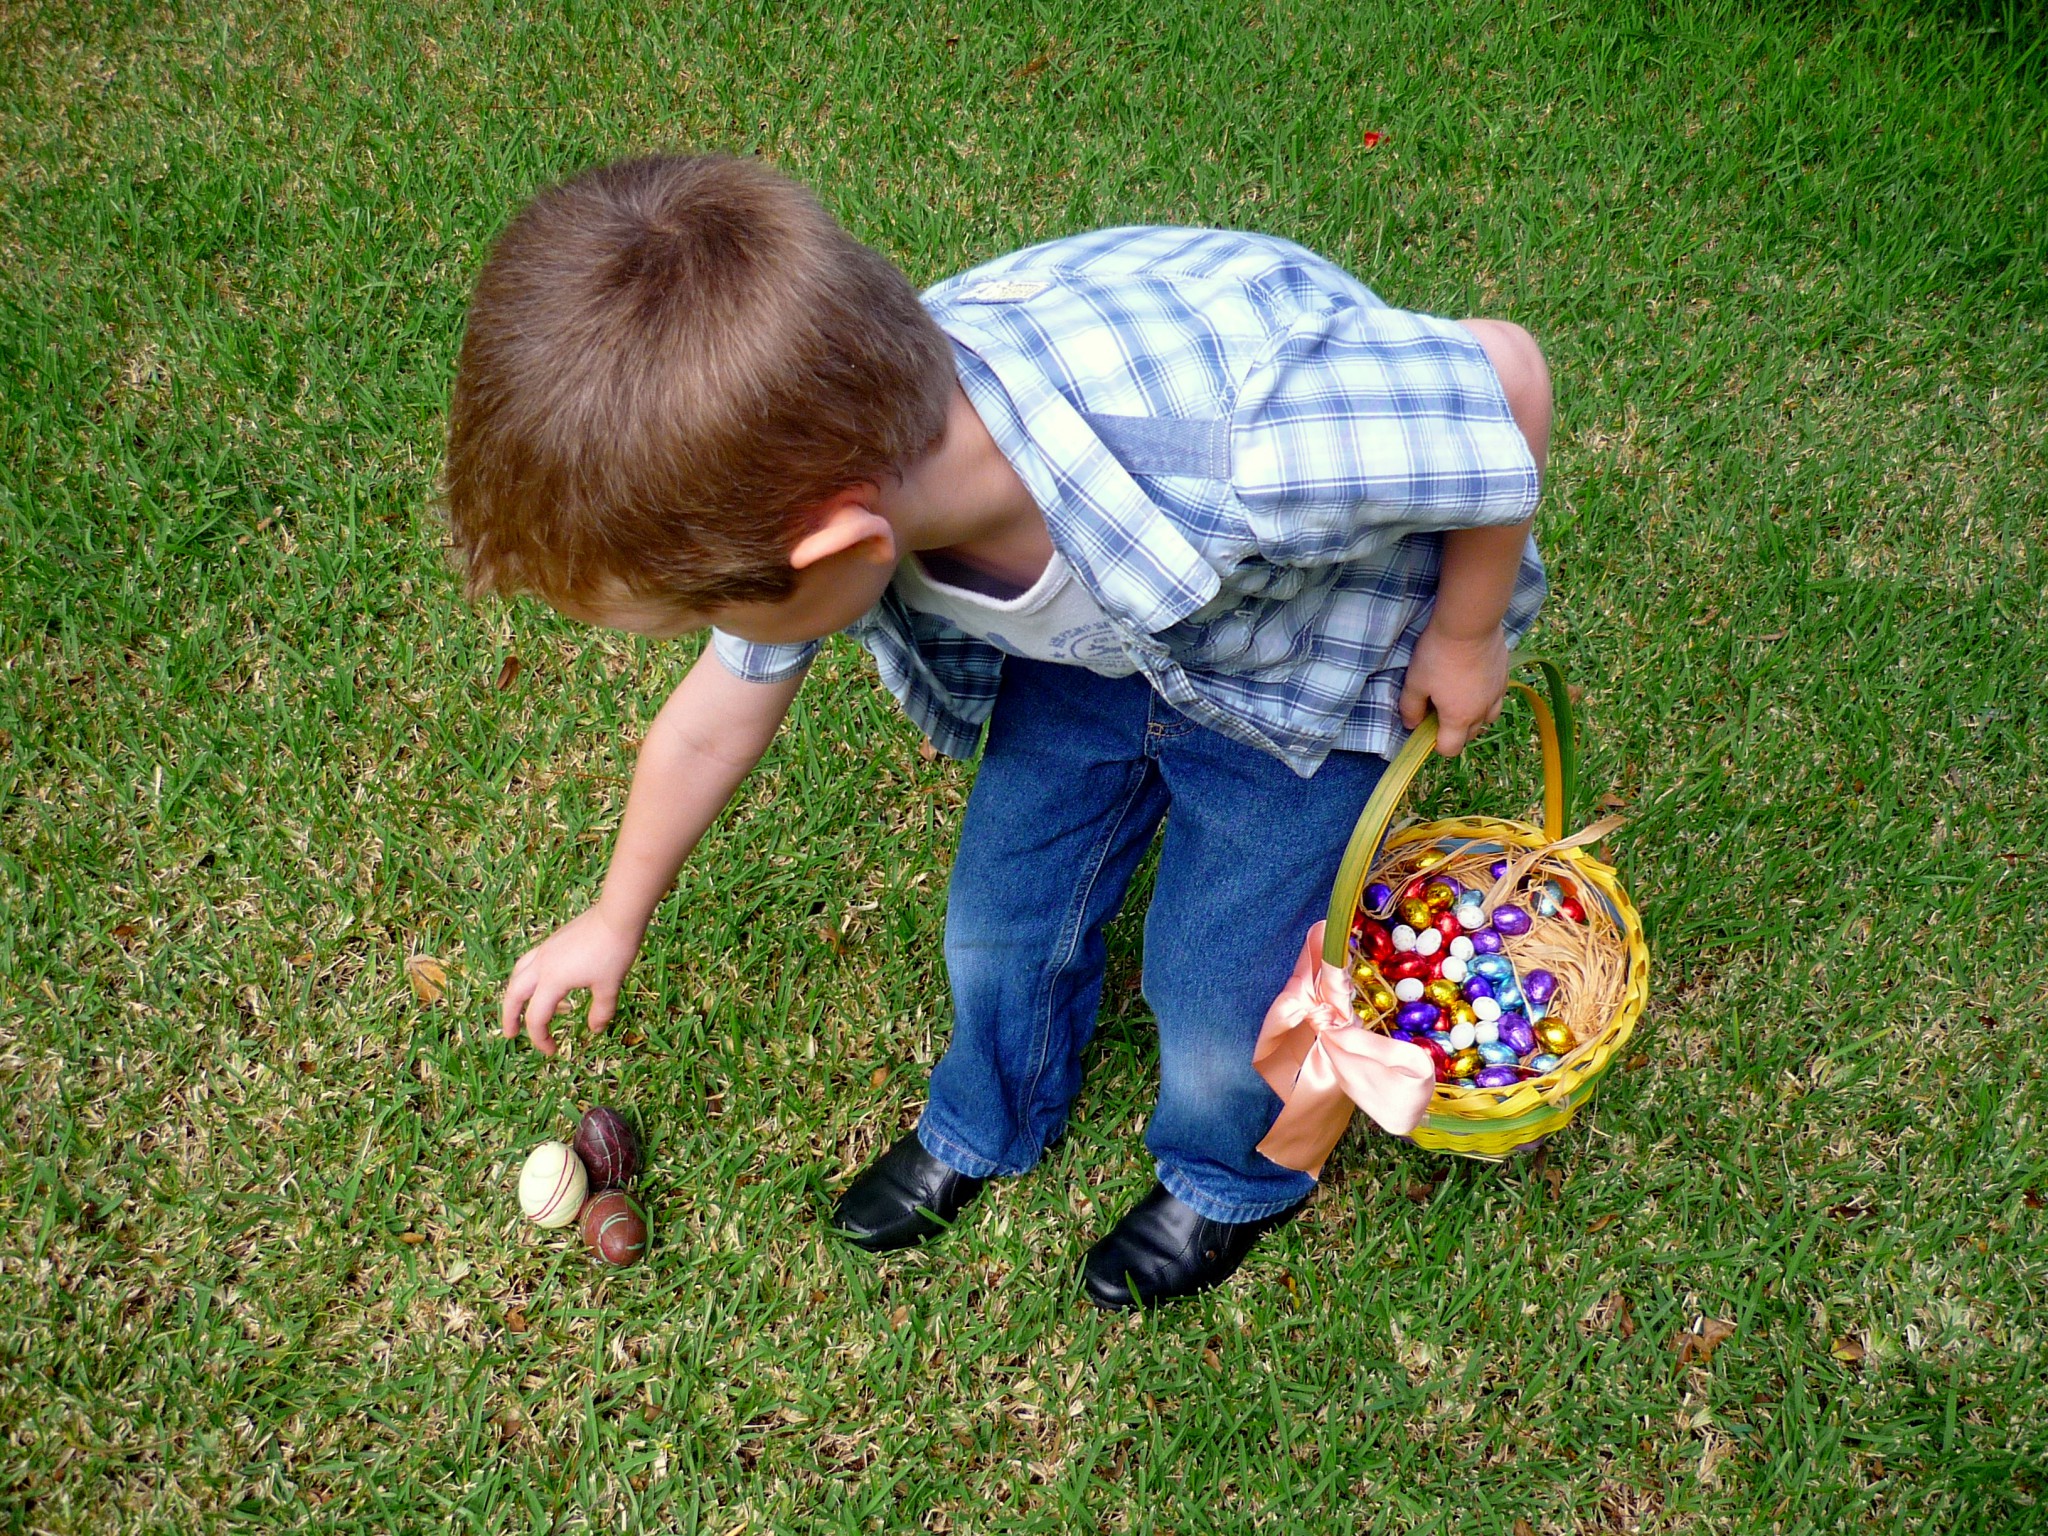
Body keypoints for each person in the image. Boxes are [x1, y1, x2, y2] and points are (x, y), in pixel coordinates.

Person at [445, 154, 1551, 1309]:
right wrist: (613, 915)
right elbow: (713, 722)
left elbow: (1504, 375)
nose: (719, 641)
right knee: (998, 920)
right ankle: (989, 1113)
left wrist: (1465, 633)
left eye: (708, 612)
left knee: (1219, 994)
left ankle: (1227, 1177)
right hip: (1089, 659)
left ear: (838, 552)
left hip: (1298, 680)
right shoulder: (817, 449)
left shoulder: (1236, 447)